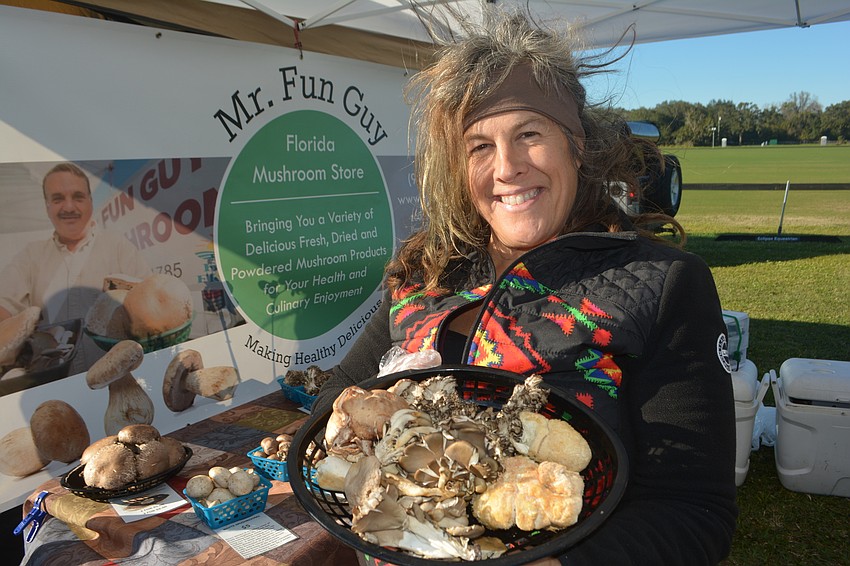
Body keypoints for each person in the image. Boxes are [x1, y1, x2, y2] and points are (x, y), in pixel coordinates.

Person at [313, 10, 737, 565]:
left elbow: (693, 512)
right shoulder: (426, 274)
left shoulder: (661, 284)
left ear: (576, 144)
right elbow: (333, 405)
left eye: (529, 134)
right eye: (479, 146)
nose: (507, 167)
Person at [0, 162, 151, 373]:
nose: (69, 207)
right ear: (47, 206)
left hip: (118, 379)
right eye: (58, 198)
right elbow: (3, 307)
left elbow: (150, 306)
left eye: (78, 197)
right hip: (54, 385)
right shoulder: (30, 256)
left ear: (90, 201)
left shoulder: (118, 247)